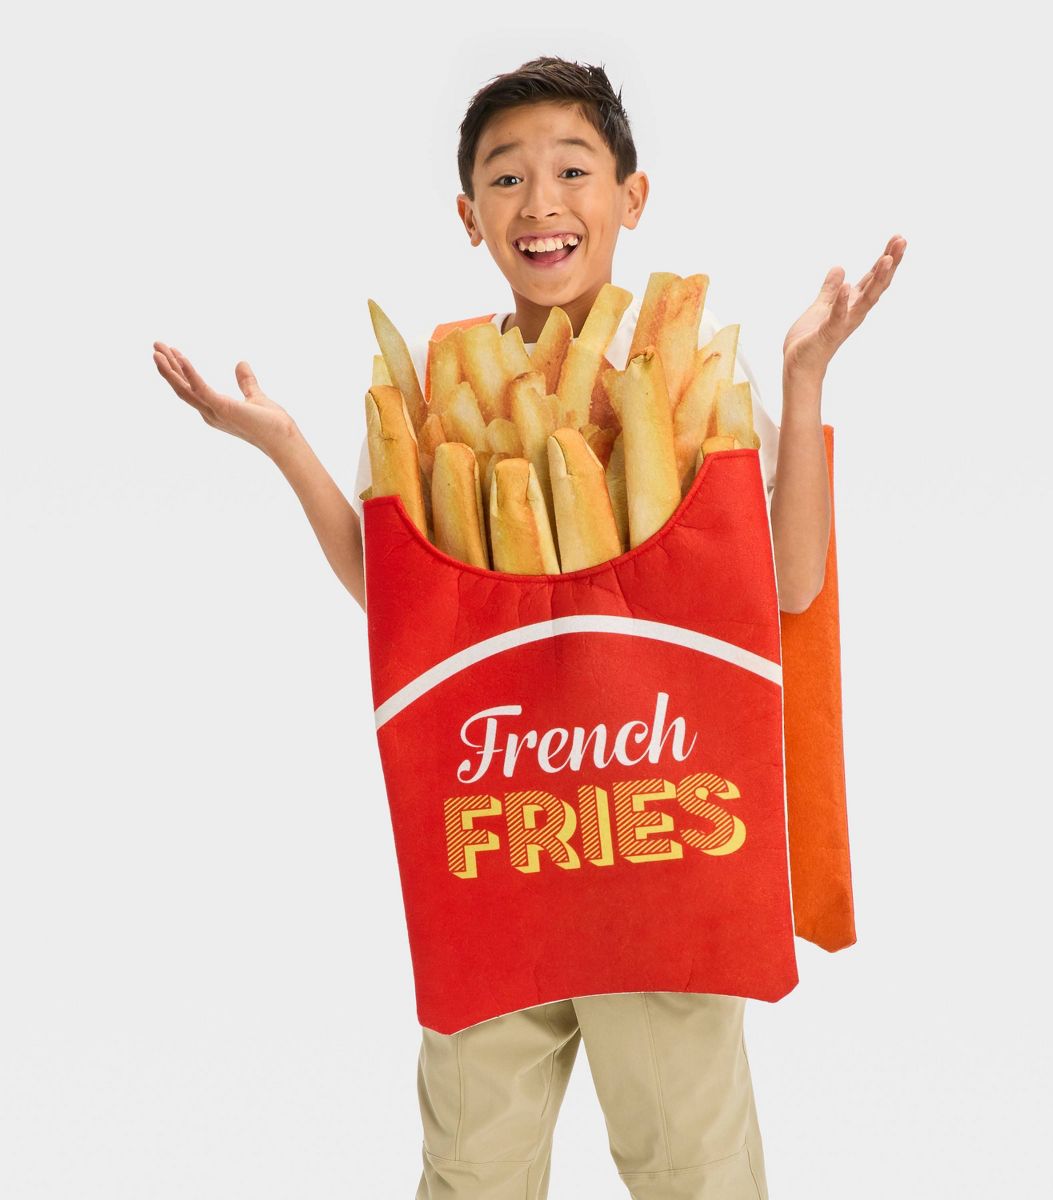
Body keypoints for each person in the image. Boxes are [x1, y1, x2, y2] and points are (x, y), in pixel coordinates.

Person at [153, 53, 904, 1200]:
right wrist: (286, 446)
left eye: (572, 170)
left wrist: (802, 382)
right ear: (470, 216)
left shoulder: (693, 379)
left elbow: (789, 585)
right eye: (506, 179)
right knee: (472, 1166)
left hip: (662, 856)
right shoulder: (432, 399)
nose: (541, 203)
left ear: (630, 199)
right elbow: (395, 596)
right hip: (496, 853)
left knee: (695, 1167)